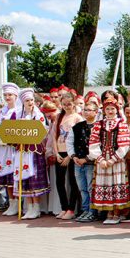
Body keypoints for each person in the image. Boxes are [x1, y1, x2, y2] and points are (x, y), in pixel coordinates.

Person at [90, 97, 130, 225]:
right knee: (105, 184)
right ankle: (109, 212)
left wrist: (113, 159)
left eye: (112, 109)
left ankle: (117, 212)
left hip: (116, 160)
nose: (110, 111)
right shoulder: (99, 124)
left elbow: (124, 145)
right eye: (107, 109)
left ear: (117, 110)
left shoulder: (121, 124)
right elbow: (93, 142)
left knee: (116, 182)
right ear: (104, 110)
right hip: (103, 158)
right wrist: (100, 159)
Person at [12, 89, 49, 220]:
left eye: (32, 100)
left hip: (34, 150)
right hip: (22, 150)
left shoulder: (38, 115)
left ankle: (37, 207)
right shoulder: (17, 115)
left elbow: (41, 132)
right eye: (27, 100)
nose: (30, 103)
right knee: (24, 178)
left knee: (33, 177)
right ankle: (29, 207)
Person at [49, 91, 83, 220]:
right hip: (60, 152)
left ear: (73, 103)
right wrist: (56, 153)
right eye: (64, 104)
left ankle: (71, 208)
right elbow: (54, 136)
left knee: (73, 181)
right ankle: (64, 207)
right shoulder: (58, 117)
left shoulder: (78, 118)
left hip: (72, 153)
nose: (67, 106)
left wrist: (70, 156)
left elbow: (79, 139)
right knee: (59, 181)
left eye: (69, 104)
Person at [69, 101, 99, 222]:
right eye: (85, 110)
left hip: (91, 163)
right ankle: (85, 210)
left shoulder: (98, 127)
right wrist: (73, 156)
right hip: (78, 162)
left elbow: (98, 146)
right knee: (82, 188)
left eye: (89, 110)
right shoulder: (77, 127)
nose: (86, 112)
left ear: (96, 112)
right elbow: (69, 142)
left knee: (91, 188)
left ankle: (93, 211)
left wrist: (86, 159)